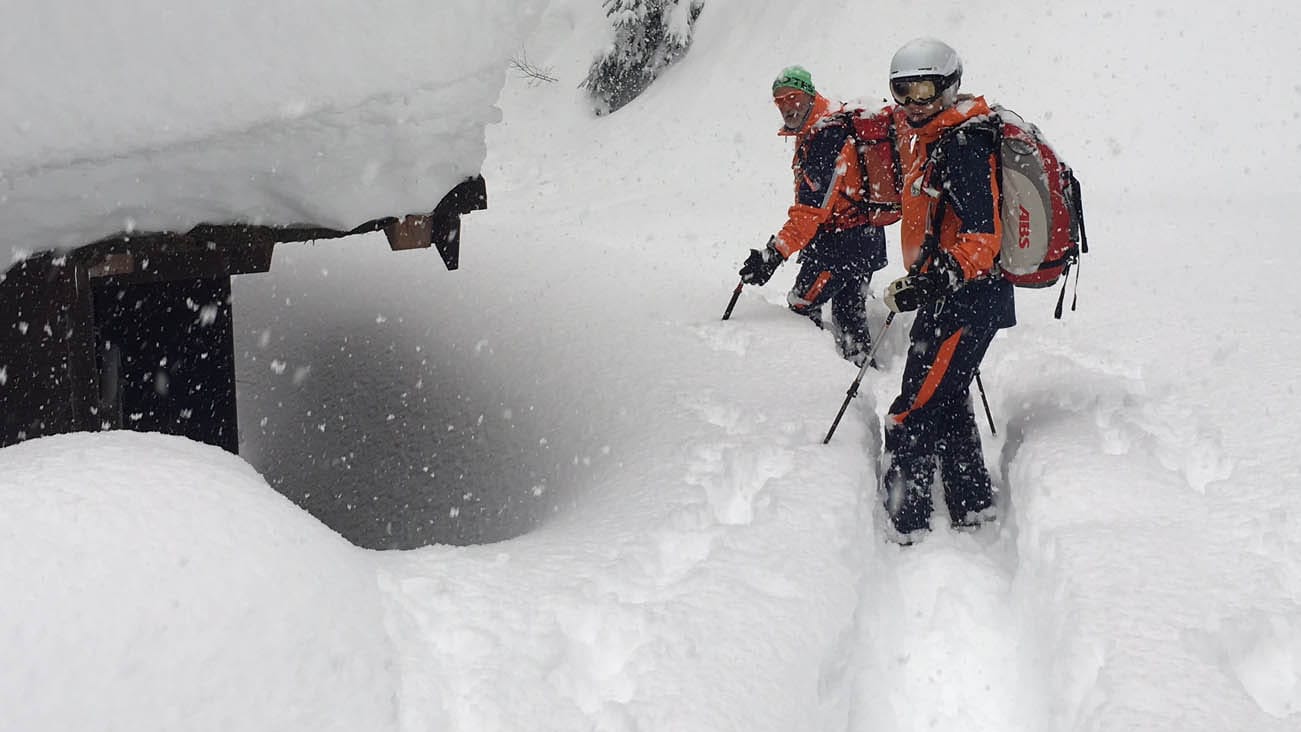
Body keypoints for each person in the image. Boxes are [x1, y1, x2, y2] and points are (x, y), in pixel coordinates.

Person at [878, 38, 1016, 541]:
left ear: (949, 85)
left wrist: (936, 280)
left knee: (914, 407)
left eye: (924, 89)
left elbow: (984, 238)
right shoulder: (938, 136)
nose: (914, 103)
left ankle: (905, 519)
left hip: (964, 302)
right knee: (947, 397)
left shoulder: (962, 145)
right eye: (903, 91)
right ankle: (971, 502)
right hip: (951, 298)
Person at [738, 66, 888, 367]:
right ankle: (862, 371)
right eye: (779, 101)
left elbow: (809, 213)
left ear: (809, 95)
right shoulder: (822, 127)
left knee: (801, 304)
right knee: (849, 313)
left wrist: (773, 254)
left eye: (793, 97)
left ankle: (811, 374)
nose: (786, 106)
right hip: (863, 240)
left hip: (840, 247)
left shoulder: (825, 137)